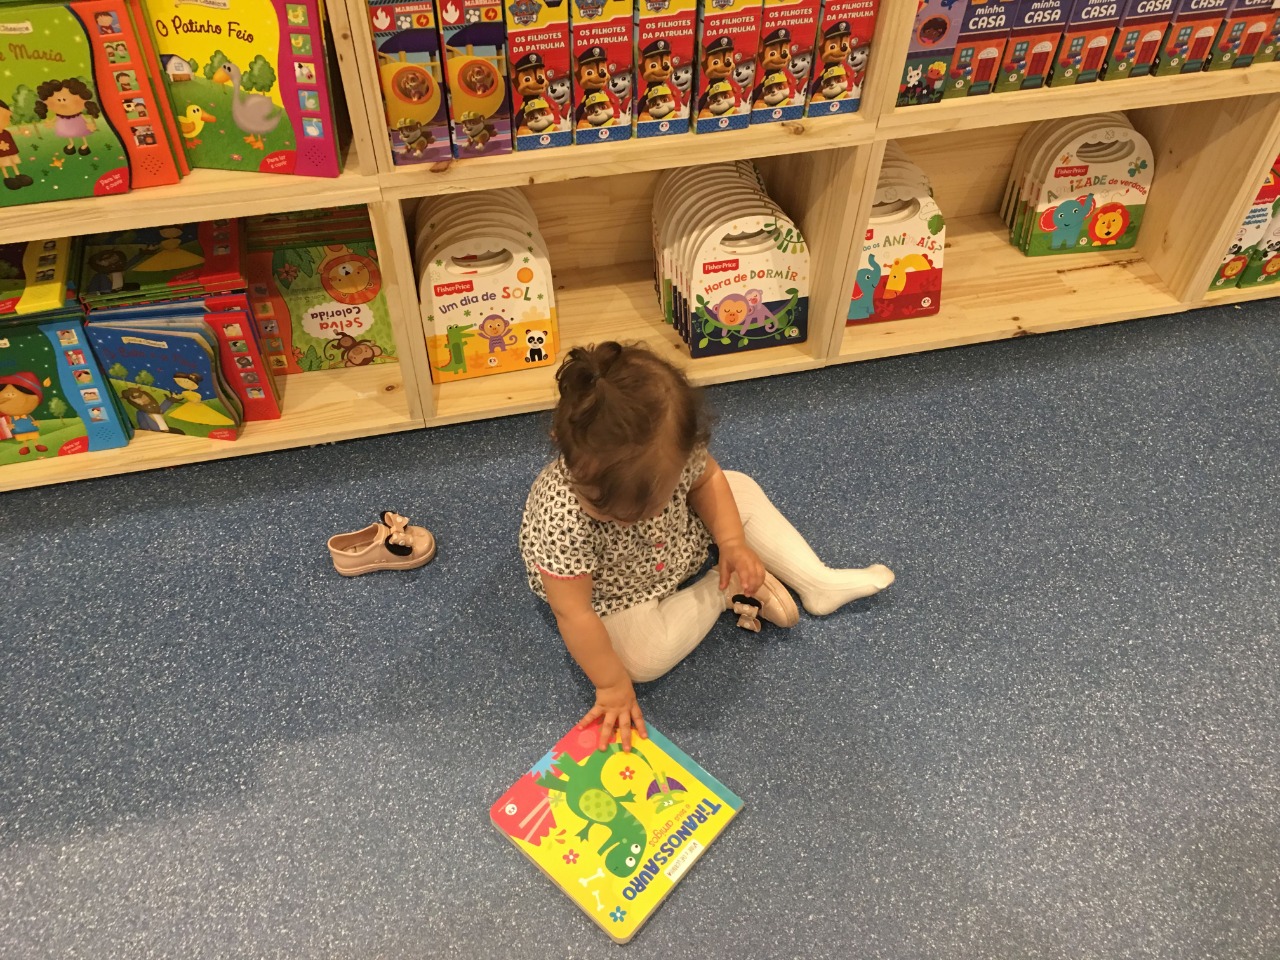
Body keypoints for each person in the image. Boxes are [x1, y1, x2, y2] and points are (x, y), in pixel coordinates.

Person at [519, 342, 894, 751]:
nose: (634, 519)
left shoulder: (675, 454)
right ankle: (724, 589)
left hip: (680, 540)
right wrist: (611, 685)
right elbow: (572, 612)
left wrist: (732, 541)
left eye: (650, 504)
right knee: (640, 660)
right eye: (608, 509)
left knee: (739, 487)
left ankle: (817, 581)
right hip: (616, 591)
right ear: (561, 443)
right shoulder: (562, 515)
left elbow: (708, 479)